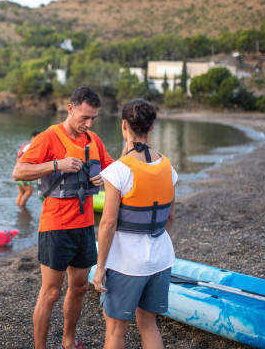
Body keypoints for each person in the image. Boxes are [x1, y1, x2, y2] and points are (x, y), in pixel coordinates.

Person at [13, 87, 114, 349]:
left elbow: (113, 168)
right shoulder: (49, 137)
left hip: (84, 227)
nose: (88, 123)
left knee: (79, 287)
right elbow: (19, 172)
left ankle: (69, 341)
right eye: (84, 117)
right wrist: (57, 165)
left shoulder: (94, 140)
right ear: (70, 109)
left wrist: (104, 176)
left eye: (93, 118)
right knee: (50, 293)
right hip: (55, 226)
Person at [91, 99, 177, 349]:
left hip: (126, 263)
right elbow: (170, 217)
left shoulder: (118, 170)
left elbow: (107, 223)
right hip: (161, 259)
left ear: (124, 125)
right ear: (151, 128)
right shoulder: (168, 166)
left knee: (116, 329)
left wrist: (100, 267)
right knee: (148, 324)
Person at [16, 131, 41, 207]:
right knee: (29, 192)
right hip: (23, 172)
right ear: (33, 138)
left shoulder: (25, 145)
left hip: (18, 171)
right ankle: (21, 209)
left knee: (21, 192)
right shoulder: (30, 146)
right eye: (38, 137)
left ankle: (18, 209)